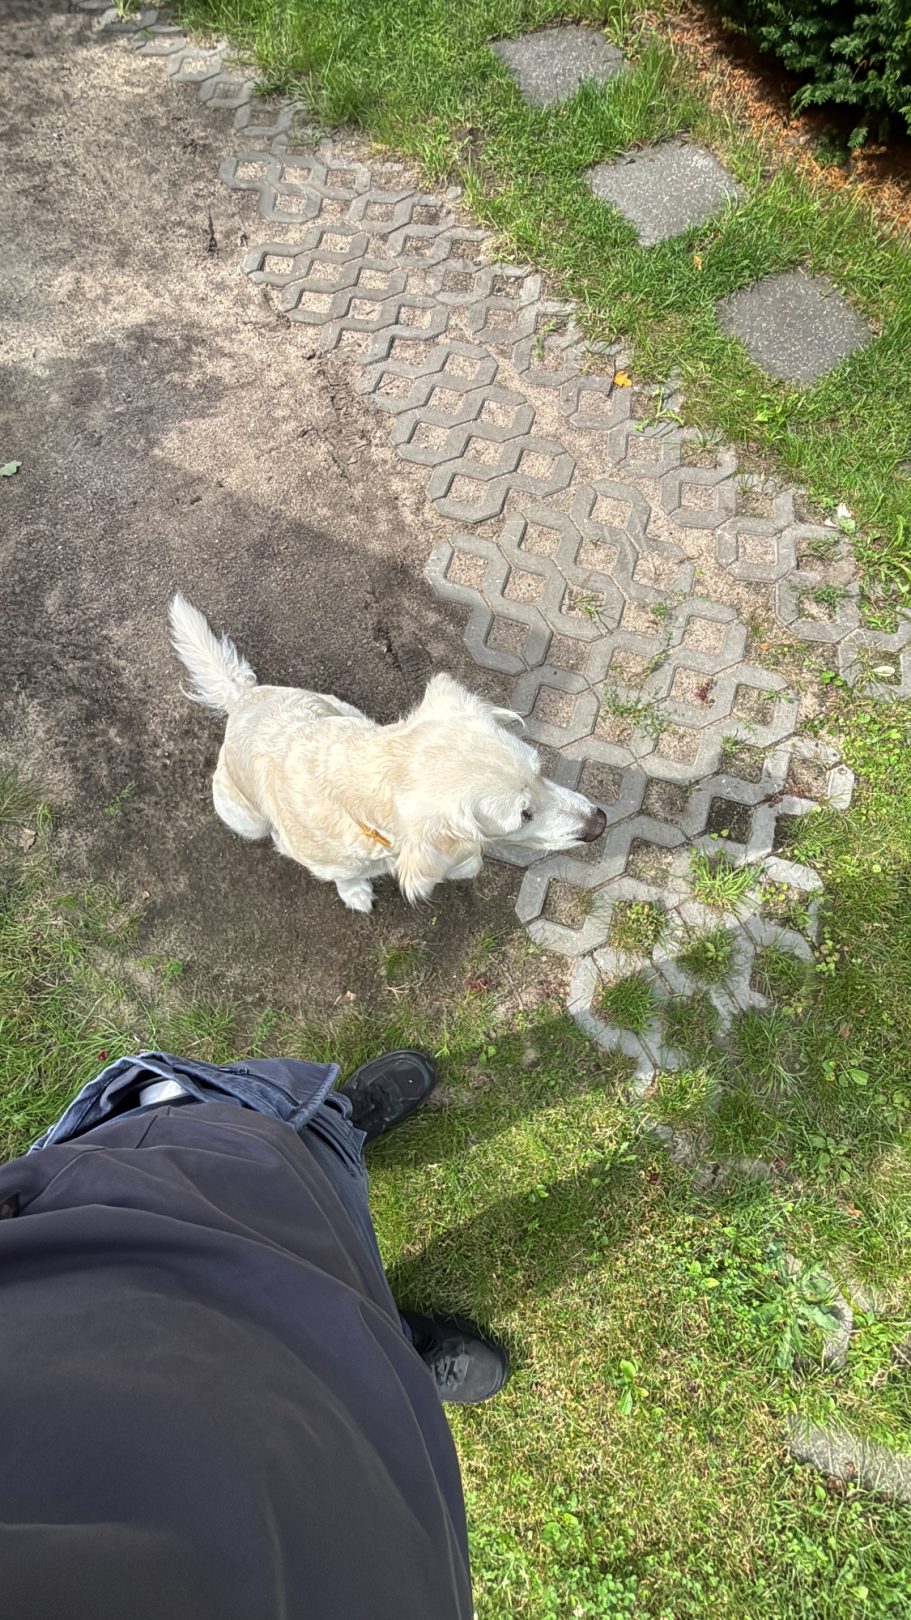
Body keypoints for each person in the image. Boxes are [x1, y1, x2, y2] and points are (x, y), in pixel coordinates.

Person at [0, 1047, 508, 1619]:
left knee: (257, 1157)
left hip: (104, 1267)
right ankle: (388, 1352)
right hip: (357, 1547)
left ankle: (327, 1130)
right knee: (358, 1362)